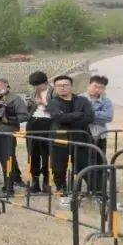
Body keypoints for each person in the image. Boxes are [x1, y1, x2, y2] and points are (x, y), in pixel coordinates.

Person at [47, 74, 94, 202]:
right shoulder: (53, 102)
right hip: (59, 138)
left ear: (71, 86)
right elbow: (58, 118)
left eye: (65, 85)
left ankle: (91, 191)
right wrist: (78, 114)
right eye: (59, 85)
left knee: (83, 165)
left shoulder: (83, 101)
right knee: (59, 167)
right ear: (55, 88)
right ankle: (61, 191)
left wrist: (68, 118)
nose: (62, 87)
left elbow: (90, 117)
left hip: (80, 138)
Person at [25, 71, 52, 194]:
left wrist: (44, 103)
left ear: (46, 82)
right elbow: (29, 110)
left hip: (47, 123)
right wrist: (29, 104)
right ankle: (35, 182)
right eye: (34, 85)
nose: (36, 88)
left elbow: (58, 109)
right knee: (32, 153)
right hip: (33, 123)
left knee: (47, 155)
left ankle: (47, 182)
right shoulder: (33, 93)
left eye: (38, 85)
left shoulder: (54, 92)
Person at [85, 75, 114, 194]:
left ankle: (99, 190)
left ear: (104, 89)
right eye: (95, 86)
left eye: (101, 87)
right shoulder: (80, 99)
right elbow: (77, 115)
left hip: (99, 137)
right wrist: (97, 114)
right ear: (89, 85)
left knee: (99, 162)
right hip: (82, 136)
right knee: (83, 163)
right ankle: (86, 188)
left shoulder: (106, 101)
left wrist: (88, 114)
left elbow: (108, 117)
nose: (97, 89)